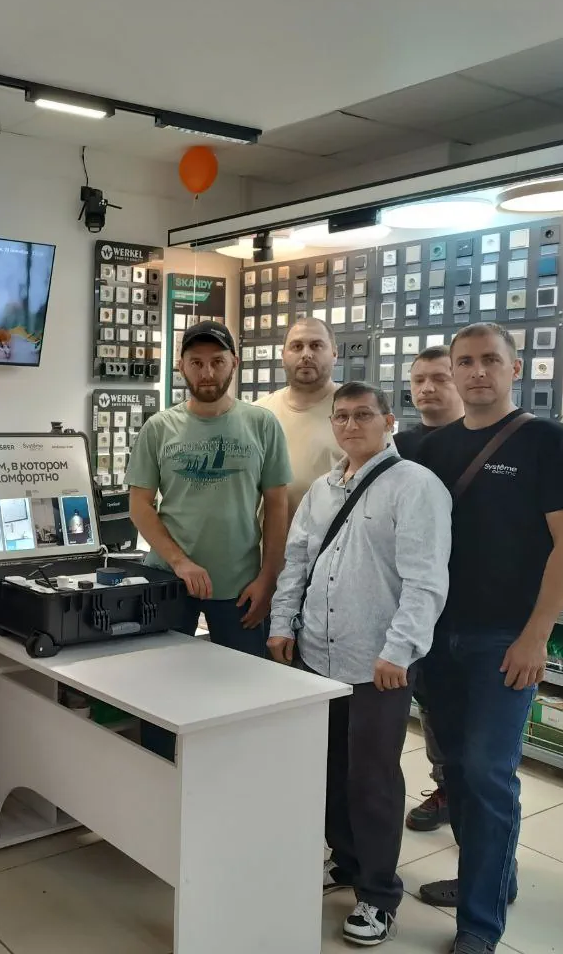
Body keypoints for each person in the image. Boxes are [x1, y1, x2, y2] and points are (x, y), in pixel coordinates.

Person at [414, 323, 563, 954]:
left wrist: (536, 636)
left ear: (515, 369)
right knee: (457, 771)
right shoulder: (431, 449)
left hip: (504, 640)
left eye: (490, 360)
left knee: (489, 774)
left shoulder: (549, 442)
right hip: (438, 637)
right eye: (465, 362)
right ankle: (488, 880)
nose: (477, 372)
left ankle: (479, 926)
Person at [268, 381, 450, 947]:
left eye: (363, 415)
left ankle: (378, 894)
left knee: (372, 779)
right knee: (328, 771)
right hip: (316, 652)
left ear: (388, 421)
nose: (351, 425)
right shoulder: (322, 490)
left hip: (378, 663)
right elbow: (296, 560)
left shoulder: (416, 486)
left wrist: (400, 651)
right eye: (341, 416)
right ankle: (346, 861)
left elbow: (425, 580)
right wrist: (282, 623)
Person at [128, 320, 291, 657]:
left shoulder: (262, 424)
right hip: (169, 580)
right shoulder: (158, 428)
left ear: (235, 362)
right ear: (181, 366)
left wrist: (268, 579)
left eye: (217, 361)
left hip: (241, 588)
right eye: (196, 363)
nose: (207, 373)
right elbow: (139, 506)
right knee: (164, 678)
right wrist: (180, 562)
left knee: (242, 680)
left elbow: (277, 506)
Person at [394, 346, 464, 834]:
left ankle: (467, 803)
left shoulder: (481, 439)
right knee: (428, 707)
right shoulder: (399, 444)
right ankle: (446, 790)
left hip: (466, 601)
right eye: (419, 380)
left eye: (440, 378)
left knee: (462, 716)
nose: (427, 388)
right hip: (407, 598)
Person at [256, 317, 343, 517]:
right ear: (283, 356)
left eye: (316, 345)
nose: (306, 354)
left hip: (335, 537)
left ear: (334, 353)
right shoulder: (258, 413)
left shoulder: (360, 414)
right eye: (296, 346)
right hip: (267, 537)